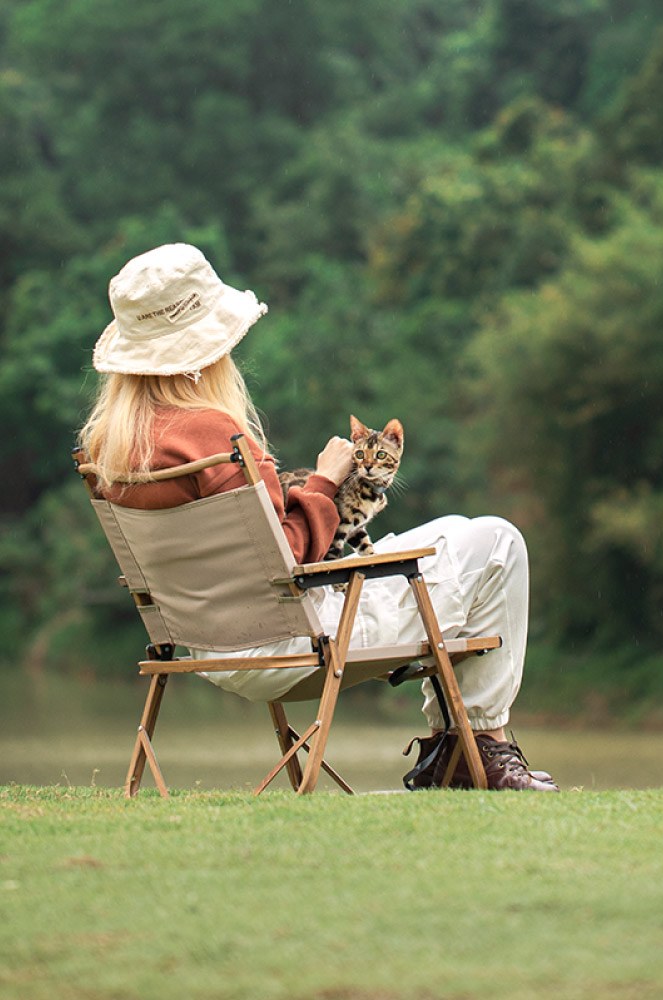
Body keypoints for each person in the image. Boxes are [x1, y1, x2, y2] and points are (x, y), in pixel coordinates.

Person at [79, 242, 557, 792]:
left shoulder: (112, 449)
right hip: (294, 640)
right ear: (205, 352)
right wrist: (326, 479)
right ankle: (480, 748)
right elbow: (285, 556)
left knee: (455, 531)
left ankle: (457, 750)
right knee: (497, 542)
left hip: (205, 647)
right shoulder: (215, 436)